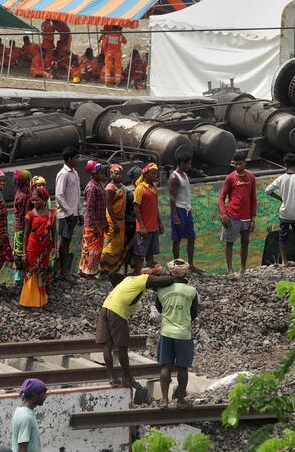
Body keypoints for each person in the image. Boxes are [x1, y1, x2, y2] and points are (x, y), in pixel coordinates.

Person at [97, 268, 175, 386]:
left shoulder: (128, 279)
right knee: (122, 346)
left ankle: (112, 378)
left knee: (107, 346)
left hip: (105, 308)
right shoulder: (142, 279)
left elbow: (112, 274)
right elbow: (166, 281)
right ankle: (127, 377)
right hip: (118, 312)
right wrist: (177, 277)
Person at [155, 259, 198, 408]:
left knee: (165, 366)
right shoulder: (192, 291)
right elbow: (194, 313)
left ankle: (165, 400)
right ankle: (180, 401)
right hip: (183, 334)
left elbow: (159, 309)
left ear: (171, 271)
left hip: (166, 332)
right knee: (182, 368)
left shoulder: (161, 290)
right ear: (185, 271)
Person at [218, 152, 257, 274]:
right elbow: (221, 198)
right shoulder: (230, 178)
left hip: (247, 217)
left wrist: (253, 218)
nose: (238, 166)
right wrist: (224, 214)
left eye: (241, 164)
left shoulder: (251, 178)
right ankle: (229, 269)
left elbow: (253, 199)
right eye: (236, 164)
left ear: (245, 162)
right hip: (232, 216)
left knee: (245, 243)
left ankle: (243, 268)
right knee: (229, 243)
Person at [20, 187, 56, 308]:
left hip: (45, 248)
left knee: (42, 271)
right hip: (32, 248)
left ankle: (41, 298)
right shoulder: (29, 215)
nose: (34, 202)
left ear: (44, 199)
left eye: (37, 200)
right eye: (33, 200)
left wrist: (55, 248)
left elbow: (54, 232)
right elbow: (25, 235)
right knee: (31, 272)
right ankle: (29, 300)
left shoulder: (52, 213)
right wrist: (23, 253)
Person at [169, 155, 200, 273]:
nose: (190, 166)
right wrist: (175, 215)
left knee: (191, 236)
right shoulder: (174, 177)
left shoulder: (185, 175)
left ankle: (191, 264)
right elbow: (172, 197)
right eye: (188, 164)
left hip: (187, 209)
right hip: (179, 209)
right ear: (182, 163)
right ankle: (176, 267)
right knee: (177, 239)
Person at [55, 147, 81, 278]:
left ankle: (66, 270)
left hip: (73, 213)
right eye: (76, 157)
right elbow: (59, 195)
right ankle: (63, 271)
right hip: (66, 215)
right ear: (69, 158)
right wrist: (70, 212)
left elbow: (76, 194)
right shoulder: (63, 174)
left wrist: (78, 212)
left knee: (68, 241)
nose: (78, 160)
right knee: (64, 242)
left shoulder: (74, 173)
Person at [132, 163, 163, 275]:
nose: (155, 175)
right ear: (146, 174)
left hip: (153, 226)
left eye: (156, 173)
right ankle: (137, 272)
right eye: (153, 173)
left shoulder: (154, 188)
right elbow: (136, 208)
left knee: (150, 251)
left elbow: (155, 206)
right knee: (140, 251)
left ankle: (150, 272)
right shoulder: (140, 188)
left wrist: (159, 223)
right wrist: (142, 226)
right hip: (144, 227)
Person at [78, 161, 108, 278]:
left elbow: (102, 207)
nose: (103, 174)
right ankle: (88, 271)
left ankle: (87, 269)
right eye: (101, 172)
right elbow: (90, 209)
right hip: (92, 224)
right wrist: (95, 226)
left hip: (99, 222)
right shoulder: (91, 187)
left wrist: (104, 223)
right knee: (91, 248)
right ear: (94, 173)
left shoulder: (99, 185)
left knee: (93, 248)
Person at [100, 164, 129, 283]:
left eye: (120, 173)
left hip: (121, 219)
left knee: (119, 245)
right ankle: (104, 270)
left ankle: (114, 269)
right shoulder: (110, 188)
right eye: (115, 173)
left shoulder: (121, 186)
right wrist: (115, 222)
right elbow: (108, 206)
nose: (118, 175)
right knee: (109, 245)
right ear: (111, 174)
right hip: (113, 220)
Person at [11, 378, 46, 452]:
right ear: (34, 395)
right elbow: (22, 449)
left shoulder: (21, 411)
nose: (45, 397)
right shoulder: (26, 417)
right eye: (43, 393)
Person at [12, 170, 32, 284]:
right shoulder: (23, 196)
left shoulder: (20, 193)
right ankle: (20, 276)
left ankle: (19, 275)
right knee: (21, 251)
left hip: (20, 227)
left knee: (19, 251)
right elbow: (24, 215)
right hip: (22, 227)